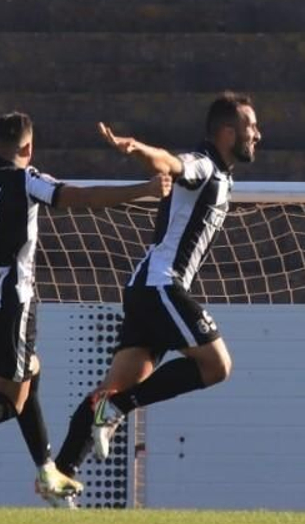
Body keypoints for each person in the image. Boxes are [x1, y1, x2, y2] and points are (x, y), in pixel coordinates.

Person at [0, 111, 169, 507]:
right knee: (9, 401)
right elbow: (83, 198)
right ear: (28, 148)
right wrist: (143, 188)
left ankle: (48, 471)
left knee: (31, 373)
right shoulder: (27, 180)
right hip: (14, 307)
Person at [54, 93, 261, 481]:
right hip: (160, 286)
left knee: (112, 387)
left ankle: (58, 476)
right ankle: (116, 411)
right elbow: (170, 162)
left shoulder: (222, 174)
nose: (258, 135)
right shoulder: (204, 164)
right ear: (227, 132)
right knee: (217, 366)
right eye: (251, 127)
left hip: (144, 288)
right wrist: (136, 149)